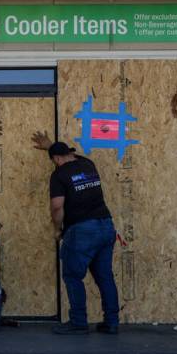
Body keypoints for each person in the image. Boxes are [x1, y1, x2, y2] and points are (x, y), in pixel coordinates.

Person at [31, 132, 120, 335]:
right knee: (105, 277)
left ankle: (78, 322)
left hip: (82, 230)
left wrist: (57, 229)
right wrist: (52, 147)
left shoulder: (59, 175)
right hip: (105, 226)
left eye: (54, 160)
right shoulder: (88, 164)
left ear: (56, 160)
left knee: (72, 275)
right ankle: (111, 322)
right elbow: (65, 154)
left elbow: (57, 207)